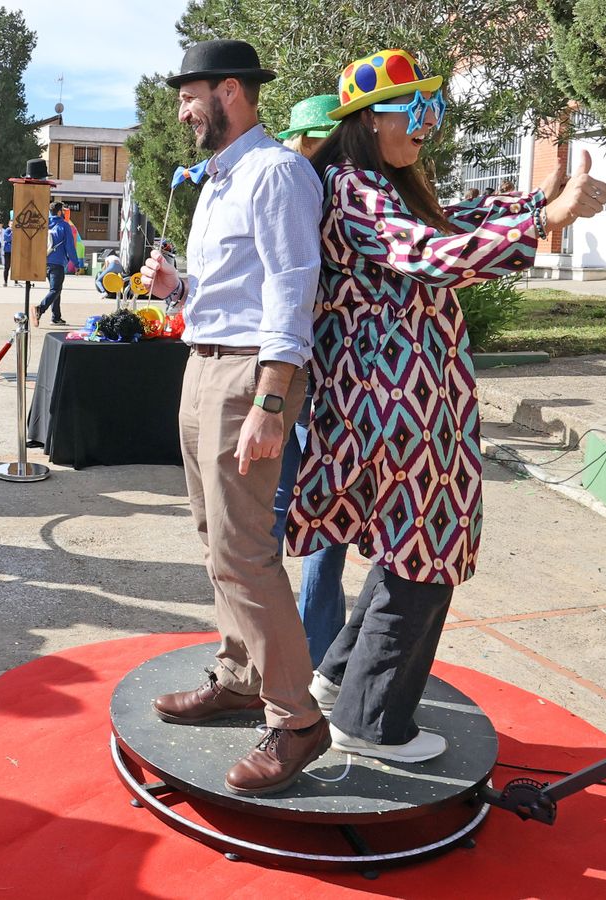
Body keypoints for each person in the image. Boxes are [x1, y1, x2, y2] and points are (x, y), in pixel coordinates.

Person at [288, 49, 606, 763]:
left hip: (402, 405)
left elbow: (448, 219)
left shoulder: (371, 183)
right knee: (429, 550)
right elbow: (430, 251)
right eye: (416, 111)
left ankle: (340, 678)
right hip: (395, 407)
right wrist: (545, 218)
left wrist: (539, 202)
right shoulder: (352, 186)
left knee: (413, 547)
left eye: (433, 110)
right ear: (368, 120)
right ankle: (371, 722)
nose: (429, 126)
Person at [139, 39, 327, 797]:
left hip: (249, 373)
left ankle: (295, 719)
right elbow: (234, 288)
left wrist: (272, 402)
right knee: (214, 539)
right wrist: (177, 286)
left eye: (190, 97)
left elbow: (291, 291)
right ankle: (243, 676)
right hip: (203, 360)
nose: (182, 112)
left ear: (229, 92)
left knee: (245, 549)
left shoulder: (277, 172)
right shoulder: (223, 179)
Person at [273, 93, 350, 667]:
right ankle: (295, 654)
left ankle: (297, 655)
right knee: (287, 518)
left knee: (310, 519)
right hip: (302, 377)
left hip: (321, 380)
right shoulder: (308, 188)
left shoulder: (316, 190)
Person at [33, 201, 77, 327]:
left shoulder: (45, 224)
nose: (63, 212)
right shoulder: (64, 225)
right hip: (57, 262)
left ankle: (56, 317)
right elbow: (70, 246)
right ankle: (40, 309)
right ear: (59, 211)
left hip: (45, 261)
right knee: (55, 289)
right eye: (62, 210)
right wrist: (76, 263)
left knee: (56, 290)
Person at [0, 220, 15, 287]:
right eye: (11, 224)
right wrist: (12, 232)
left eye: (13, 224)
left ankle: (16, 281)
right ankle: (5, 282)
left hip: (15, 251)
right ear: (9, 224)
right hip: (8, 251)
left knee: (15, 267)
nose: (12, 225)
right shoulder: (7, 231)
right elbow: (7, 238)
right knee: (7, 267)